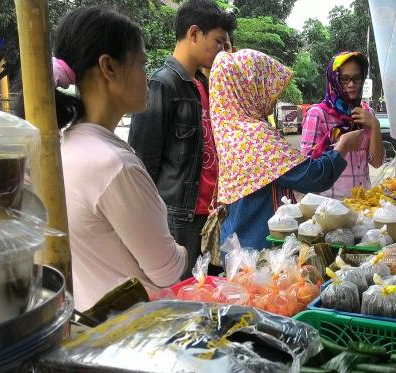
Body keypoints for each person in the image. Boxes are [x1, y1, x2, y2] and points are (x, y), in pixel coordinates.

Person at [43, 6, 187, 311]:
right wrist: (182, 250)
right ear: (109, 67)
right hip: (133, 336)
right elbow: (167, 271)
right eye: (142, 64)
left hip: (89, 326)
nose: (147, 77)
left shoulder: (65, 146)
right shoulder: (113, 165)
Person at [210, 49, 364, 250]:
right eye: (267, 88)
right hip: (258, 251)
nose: (274, 97)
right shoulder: (254, 136)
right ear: (249, 89)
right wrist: (342, 147)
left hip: (239, 243)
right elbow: (313, 176)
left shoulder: (231, 127)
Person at [128, 0, 236, 278]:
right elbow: (143, 164)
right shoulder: (162, 84)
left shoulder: (204, 85)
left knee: (210, 297)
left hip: (210, 217)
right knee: (183, 300)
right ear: (194, 33)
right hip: (178, 219)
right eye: (218, 41)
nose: (222, 51)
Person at [300, 51, 385, 199]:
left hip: (362, 204)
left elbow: (376, 162)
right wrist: (342, 146)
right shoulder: (318, 114)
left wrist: (374, 125)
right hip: (330, 207)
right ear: (334, 80)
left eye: (356, 78)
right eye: (344, 79)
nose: (351, 84)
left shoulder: (367, 113)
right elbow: (307, 168)